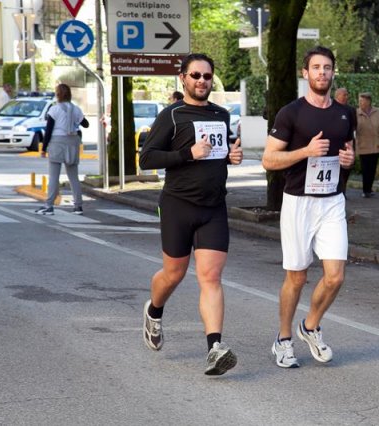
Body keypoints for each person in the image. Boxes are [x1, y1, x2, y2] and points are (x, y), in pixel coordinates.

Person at [139, 53, 243, 376]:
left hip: (213, 207)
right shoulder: (171, 116)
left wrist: (231, 156)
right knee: (174, 274)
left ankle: (215, 348)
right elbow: (147, 159)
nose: (202, 81)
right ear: (183, 78)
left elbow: (216, 153)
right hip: (177, 206)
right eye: (195, 75)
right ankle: (154, 311)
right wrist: (188, 153)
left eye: (207, 76)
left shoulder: (222, 115)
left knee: (210, 277)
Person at [262, 46, 355, 368]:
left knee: (335, 277)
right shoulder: (290, 113)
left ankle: (310, 325)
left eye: (327, 68)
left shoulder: (345, 113)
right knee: (297, 277)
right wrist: (305, 151)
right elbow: (269, 159)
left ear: (333, 73)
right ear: (306, 73)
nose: (322, 73)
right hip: (298, 202)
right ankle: (283, 339)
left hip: (332, 201)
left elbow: (348, 154)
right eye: (316, 67)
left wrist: (348, 161)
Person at [34, 84, 89, 215]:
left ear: (58, 94)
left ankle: (49, 206)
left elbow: (48, 130)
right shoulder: (76, 109)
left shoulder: (54, 109)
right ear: (69, 94)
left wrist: (44, 148)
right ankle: (78, 206)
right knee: (73, 176)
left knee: (54, 176)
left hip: (57, 142)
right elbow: (86, 124)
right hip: (72, 142)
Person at [355, 93, 379, 198]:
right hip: (363, 145)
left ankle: (369, 188)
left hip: (376, 145)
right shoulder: (356, 113)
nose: (360, 103)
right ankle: (365, 190)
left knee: (372, 168)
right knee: (365, 168)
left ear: (368, 101)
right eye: (359, 101)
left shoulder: (378, 112)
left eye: (362, 101)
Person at [333, 87, 356, 197]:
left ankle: (343, 190)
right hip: (334, 144)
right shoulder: (330, 107)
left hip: (347, 143)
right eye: (344, 95)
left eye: (347, 95)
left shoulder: (350, 109)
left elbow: (354, 126)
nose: (347, 97)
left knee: (346, 168)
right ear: (337, 96)